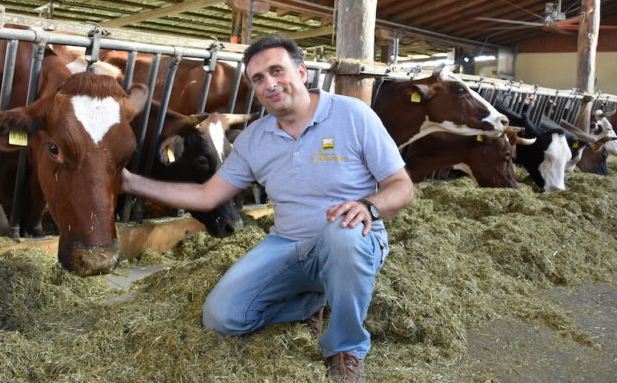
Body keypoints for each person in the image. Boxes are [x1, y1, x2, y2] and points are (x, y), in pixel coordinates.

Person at [121, 34, 414, 383]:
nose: (269, 84)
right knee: (222, 318)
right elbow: (207, 196)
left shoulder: (352, 115)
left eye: (277, 71)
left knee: (342, 233)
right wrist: (130, 182)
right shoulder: (253, 139)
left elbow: (402, 187)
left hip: (353, 238)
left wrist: (369, 205)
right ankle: (310, 303)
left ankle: (345, 348)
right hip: (288, 243)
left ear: (302, 72)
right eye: (258, 78)